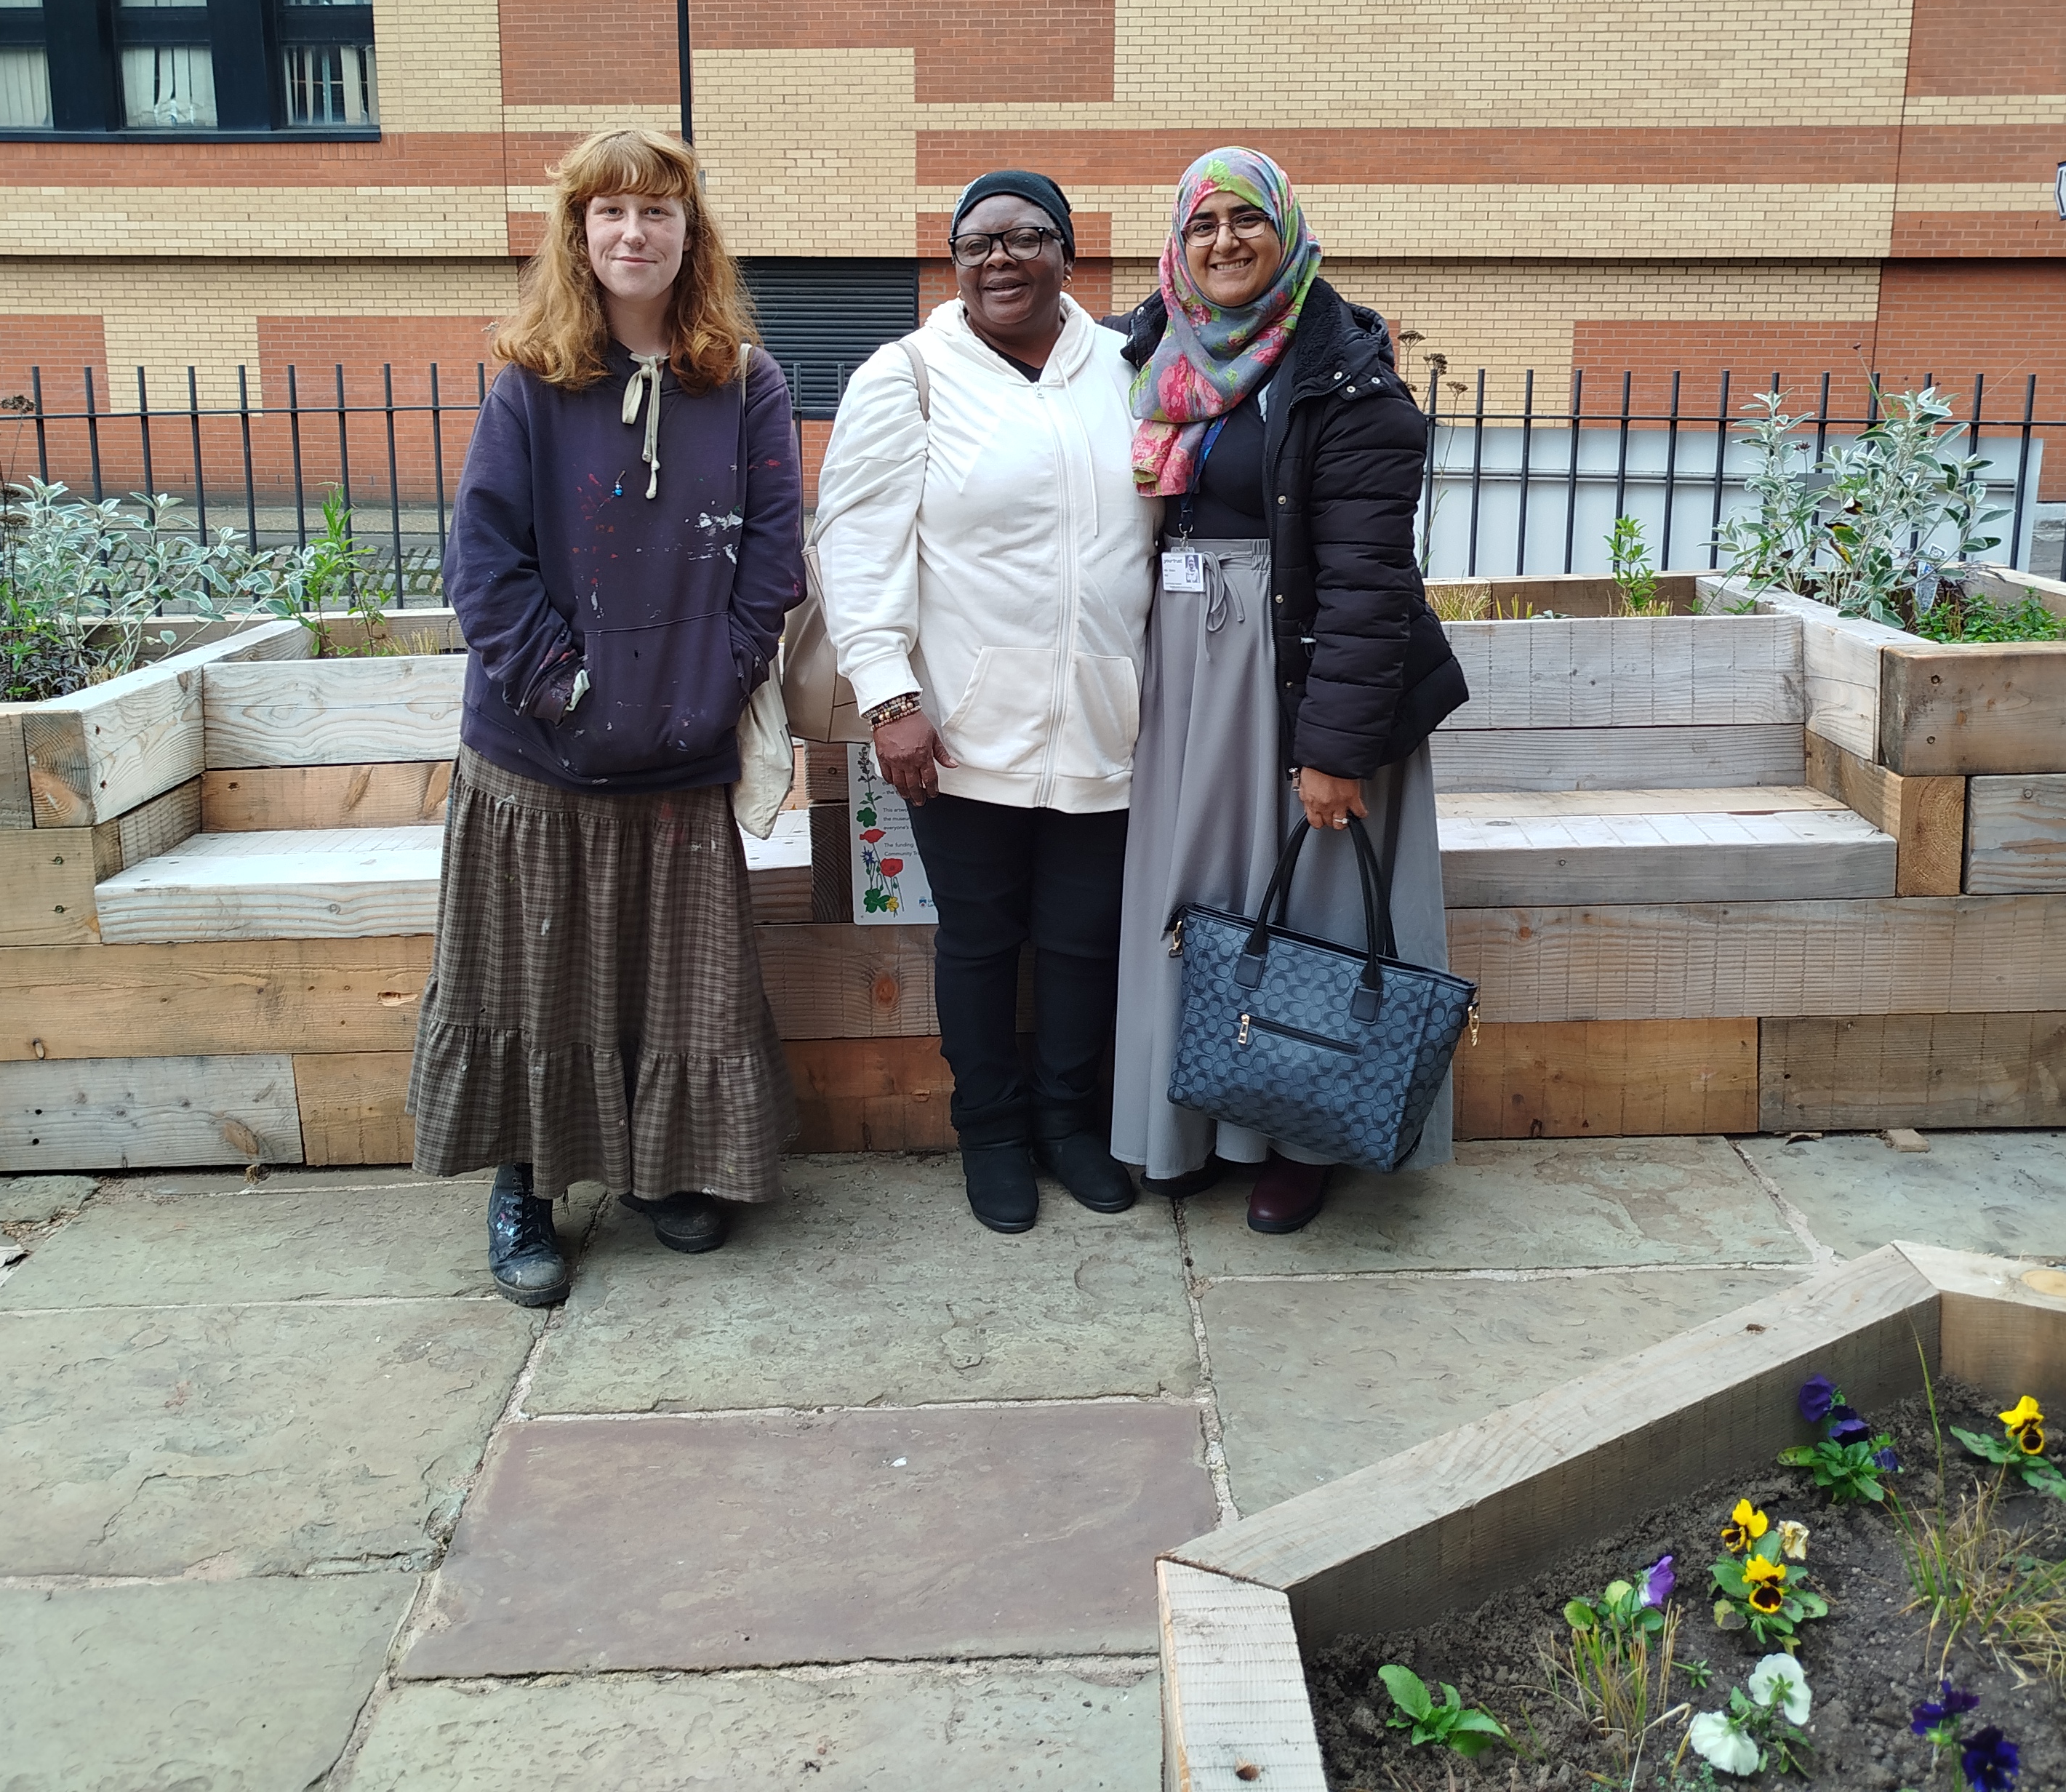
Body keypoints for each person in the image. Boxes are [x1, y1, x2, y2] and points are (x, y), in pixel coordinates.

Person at [409, 126, 806, 1306]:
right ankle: (526, 1186)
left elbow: (772, 562)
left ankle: (657, 1169)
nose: (635, 232)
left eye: (658, 211)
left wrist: (709, 691)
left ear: (692, 234)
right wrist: (566, 689)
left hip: (680, 750)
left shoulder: (746, 384)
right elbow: (485, 563)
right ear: (579, 235)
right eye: (611, 212)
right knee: (531, 982)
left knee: (671, 983)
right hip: (538, 756)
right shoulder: (530, 384)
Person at [1108, 147, 1467, 1233]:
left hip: (1299, 667)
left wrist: (1335, 750)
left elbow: (1368, 579)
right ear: (1178, 242)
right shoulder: (1149, 348)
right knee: (1198, 897)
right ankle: (1195, 1124)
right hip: (1190, 677)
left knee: (1311, 904)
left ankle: (1305, 1139)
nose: (1224, 241)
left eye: (1247, 219)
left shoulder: (1343, 370)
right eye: (1203, 223)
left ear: (1288, 231)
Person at [812, 170, 1156, 1235]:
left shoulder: (1129, 370)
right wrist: (889, 698)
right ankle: (993, 1134)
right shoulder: (909, 375)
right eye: (976, 243)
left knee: (1085, 941)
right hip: (958, 732)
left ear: (1068, 254)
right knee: (978, 940)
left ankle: (1068, 1122)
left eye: (1026, 237)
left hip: (1105, 722)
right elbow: (856, 547)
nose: (1000, 258)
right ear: (955, 263)